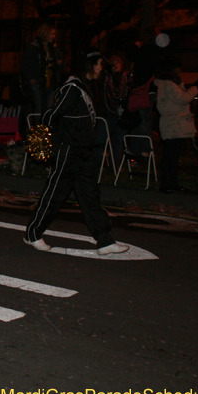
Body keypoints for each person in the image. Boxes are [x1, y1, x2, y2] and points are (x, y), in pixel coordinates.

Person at [24, 51, 128, 256]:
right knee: (55, 194)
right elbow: (51, 115)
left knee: (90, 196)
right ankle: (32, 233)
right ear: (88, 65)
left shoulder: (86, 87)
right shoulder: (72, 88)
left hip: (83, 151)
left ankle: (104, 241)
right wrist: (50, 140)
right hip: (69, 150)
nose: (101, 68)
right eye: (98, 64)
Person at [154, 56, 198, 193]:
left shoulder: (170, 83)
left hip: (174, 123)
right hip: (172, 124)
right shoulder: (168, 84)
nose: (179, 71)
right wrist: (195, 89)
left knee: (173, 155)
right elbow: (182, 99)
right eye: (177, 68)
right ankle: (166, 184)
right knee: (170, 155)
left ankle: (172, 184)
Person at [21, 21, 63, 114]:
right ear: (45, 34)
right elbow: (26, 64)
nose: (53, 37)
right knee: (38, 108)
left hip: (51, 81)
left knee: (49, 107)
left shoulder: (54, 48)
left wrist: (59, 63)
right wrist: (30, 78)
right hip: (37, 81)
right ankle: (37, 126)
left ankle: (46, 125)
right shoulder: (33, 47)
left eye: (54, 34)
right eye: (51, 34)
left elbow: (60, 64)